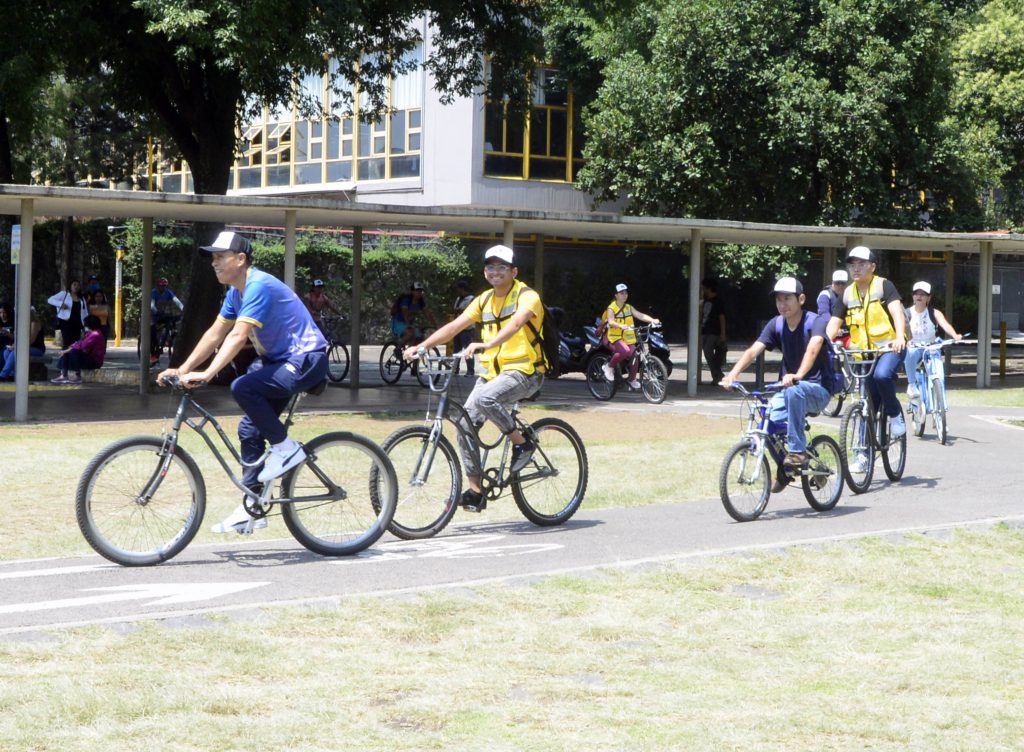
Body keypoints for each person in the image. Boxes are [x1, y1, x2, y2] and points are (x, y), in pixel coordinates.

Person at [157, 231, 328, 534]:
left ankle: (287, 449)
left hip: (307, 358)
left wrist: (207, 374)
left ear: (241, 259)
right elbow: (215, 334)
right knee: (249, 429)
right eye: (213, 258)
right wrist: (181, 369)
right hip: (280, 361)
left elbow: (237, 336)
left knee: (243, 386)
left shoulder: (258, 285)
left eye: (220, 257)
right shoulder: (236, 293)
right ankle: (254, 509)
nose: (214, 263)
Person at [402, 244, 545, 513]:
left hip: (525, 371)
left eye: (502, 267)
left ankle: (523, 444)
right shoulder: (483, 300)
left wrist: (486, 345)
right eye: (490, 267)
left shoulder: (528, 296)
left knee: (487, 398)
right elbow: (454, 327)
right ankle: (476, 491)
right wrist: (421, 347)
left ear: (514, 271)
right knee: (464, 424)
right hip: (492, 373)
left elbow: (515, 325)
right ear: (484, 271)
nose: (495, 272)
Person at [721, 277, 836, 492]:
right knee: (766, 422)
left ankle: (797, 452)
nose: (782, 304)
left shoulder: (815, 321)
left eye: (787, 298)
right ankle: (785, 470)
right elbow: (754, 350)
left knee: (794, 390)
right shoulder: (777, 324)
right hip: (791, 388)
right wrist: (732, 375)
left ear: (801, 299)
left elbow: (814, 347)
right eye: (778, 300)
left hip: (819, 388)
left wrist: (798, 375)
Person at [826, 246, 908, 464]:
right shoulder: (846, 294)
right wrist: (824, 344)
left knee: (882, 376)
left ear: (872, 266)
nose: (856, 268)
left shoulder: (883, 286)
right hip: (863, 354)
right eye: (852, 264)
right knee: (866, 402)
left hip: (889, 348)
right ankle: (861, 454)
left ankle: (895, 415)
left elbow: (897, 313)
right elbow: (833, 325)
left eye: (861, 264)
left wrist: (900, 337)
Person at [904, 280, 963, 398]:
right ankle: (911, 385)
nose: (919, 296)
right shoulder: (906, 313)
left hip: (931, 347)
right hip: (914, 347)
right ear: (913, 296)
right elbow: (900, 330)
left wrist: (955, 335)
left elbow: (945, 325)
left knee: (939, 374)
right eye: (916, 293)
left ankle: (940, 403)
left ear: (928, 298)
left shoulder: (934, 313)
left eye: (923, 294)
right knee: (908, 354)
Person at [600, 283, 661, 389]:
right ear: (616, 295)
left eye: (626, 293)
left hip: (627, 338)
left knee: (635, 354)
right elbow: (610, 321)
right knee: (625, 351)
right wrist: (620, 325)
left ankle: (632, 379)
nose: (625, 295)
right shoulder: (611, 308)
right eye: (621, 293)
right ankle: (608, 367)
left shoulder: (628, 307)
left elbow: (640, 315)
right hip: (614, 337)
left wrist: (652, 320)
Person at [51, 315, 106, 384]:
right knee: (68, 351)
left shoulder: (95, 334)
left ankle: (78, 376)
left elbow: (82, 346)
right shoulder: (90, 333)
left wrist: (67, 350)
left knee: (74, 351)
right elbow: (80, 343)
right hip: (89, 357)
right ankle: (63, 375)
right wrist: (67, 350)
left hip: (95, 361)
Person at [0, 306, 45, 382]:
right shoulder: (22, 323)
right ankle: (12, 375)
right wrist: (14, 345)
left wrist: (17, 347)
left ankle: (2, 375)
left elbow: (31, 341)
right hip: (24, 348)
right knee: (6, 352)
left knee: (15, 353)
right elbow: (18, 338)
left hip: (36, 349)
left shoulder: (34, 323)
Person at [390, 281, 437, 348]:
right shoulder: (406, 300)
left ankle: (411, 352)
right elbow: (405, 312)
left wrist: (435, 325)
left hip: (409, 322)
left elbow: (428, 314)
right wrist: (408, 324)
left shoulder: (421, 302)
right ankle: (397, 349)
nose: (419, 293)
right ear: (412, 292)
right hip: (398, 322)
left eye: (420, 291)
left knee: (419, 337)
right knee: (410, 333)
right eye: (417, 291)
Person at [150, 277, 184, 364]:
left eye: (164, 286)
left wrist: (184, 310)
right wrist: (156, 311)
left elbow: (177, 301)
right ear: (157, 286)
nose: (162, 288)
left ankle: (166, 339)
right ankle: (154, 355)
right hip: (152, 316)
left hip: (162, 315)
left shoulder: (168, 292)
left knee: (170, 320)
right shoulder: (153, 292)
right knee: (152, 334)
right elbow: (152, 305)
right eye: (161, 286)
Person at [700, 278, 727, 384]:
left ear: (709, 288)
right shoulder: (706, 300)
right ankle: (717, 375)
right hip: (705, 329)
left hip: (714, 331)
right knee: (707, 352)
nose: (703, 290)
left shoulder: (718, 301)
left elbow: (722, 317)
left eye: (704, 288)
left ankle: (718, 374)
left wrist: (723, 333)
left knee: (708, 351)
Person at [48, 280, 88, 349]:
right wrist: (60, 304)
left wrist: (86, 325)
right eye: (74, 285)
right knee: (67, 342)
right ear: (70, 286)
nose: (76, 287)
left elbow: (85, 312)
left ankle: (73, 358)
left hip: (78, 324)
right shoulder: (64, 294)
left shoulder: (82, 298)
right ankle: (65, 358)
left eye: (78, 285)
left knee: (76, 343)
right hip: (66, 322)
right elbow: (50, 300)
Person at [451, 278, 476, 376]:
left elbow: (470, 311)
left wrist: (459, 310)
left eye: (458, 289)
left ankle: (470, 371)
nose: (457, 291)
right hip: (458, 328)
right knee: (456, 350)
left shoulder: (471, 298)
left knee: (468, 349)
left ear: (463, 289)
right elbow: (455, 310)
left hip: (467, 328)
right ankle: (455, 369)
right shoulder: (458, 299)